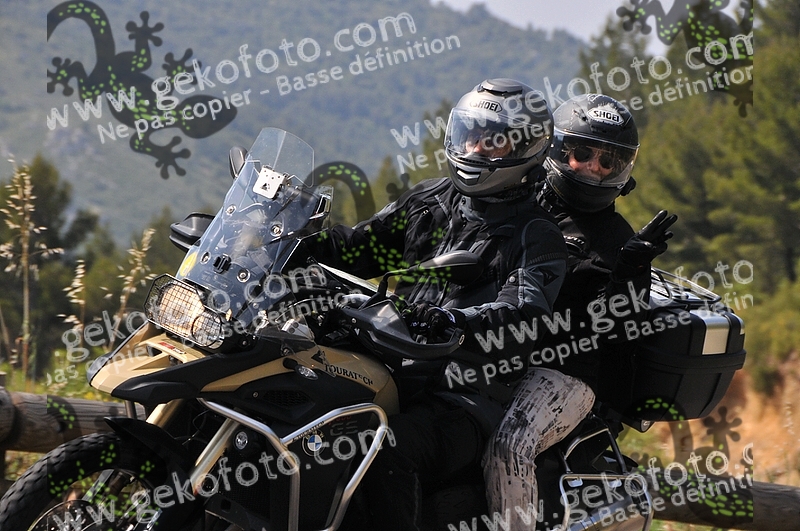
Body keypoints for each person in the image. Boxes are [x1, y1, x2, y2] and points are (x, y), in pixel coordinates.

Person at [301, 78, 568, 530]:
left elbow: (524, 314)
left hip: (463, 394)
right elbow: (360, 246)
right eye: (470, 135)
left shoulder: (536, 234)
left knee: (385, 449)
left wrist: (451, 320)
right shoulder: (428, 200)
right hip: (389, 367)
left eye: (492, 142)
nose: (475, 149)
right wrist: (289, 241)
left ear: (526, 150)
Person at [482, 94, 677, 529]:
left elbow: (616, 329)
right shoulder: (519, 202)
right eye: (583, 153)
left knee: (510, 444)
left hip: (566, 372)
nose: (593, 168)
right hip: (492, 350)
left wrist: (629, 272)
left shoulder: (618, 241)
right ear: (558, 149)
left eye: (608, 161)